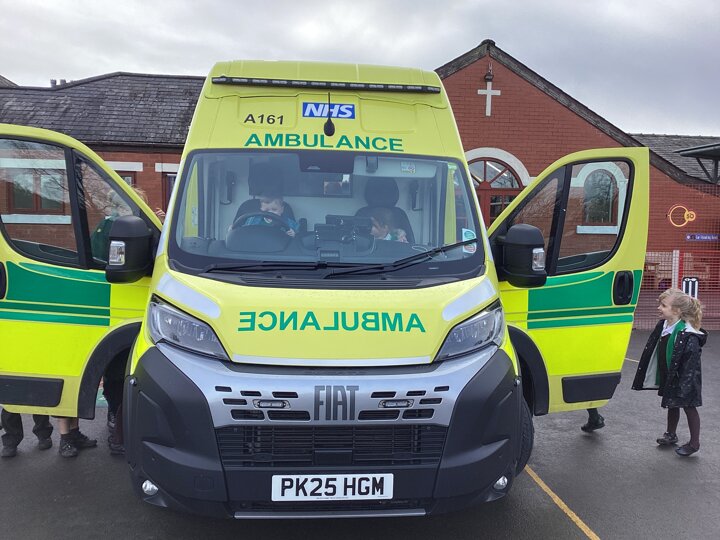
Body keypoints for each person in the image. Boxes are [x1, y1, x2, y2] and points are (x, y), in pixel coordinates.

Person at [632, 288, 706, 457]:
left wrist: (685, 384)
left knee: (689, 406)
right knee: (671, 402)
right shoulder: (664, 325)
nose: (659, 308)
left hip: (686, 378)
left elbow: (691, 364)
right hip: (671, 373)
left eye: (663, 305)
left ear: (677, 311)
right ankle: (671, 434)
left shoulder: (688, 335)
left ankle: (694, 443)